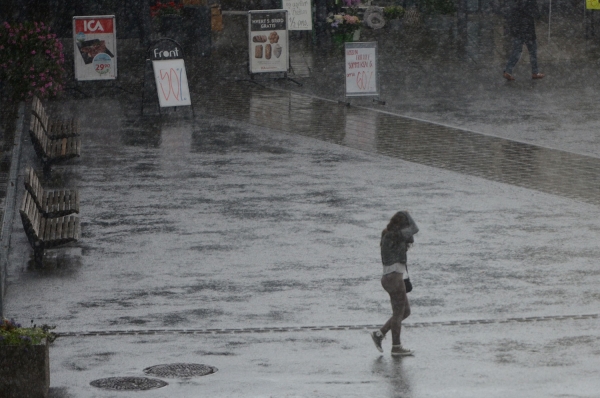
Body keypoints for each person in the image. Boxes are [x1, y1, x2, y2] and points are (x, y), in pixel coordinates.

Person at [371, 211, 419, 356]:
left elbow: (411, 237)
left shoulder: (391, 234)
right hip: (394, 279)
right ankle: (396, 347)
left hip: (392, 278)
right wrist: (406, 214)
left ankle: (380, 334)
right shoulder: (394, 234)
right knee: (398, 313)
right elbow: (415, 228)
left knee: (405, 311)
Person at [503, 0, 545, 81]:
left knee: (517, 50)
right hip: (528, 28)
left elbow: (509, 11)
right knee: (533, 51)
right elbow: (536, 13)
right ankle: (535, 72)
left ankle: (508, 70)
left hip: (517, 28)